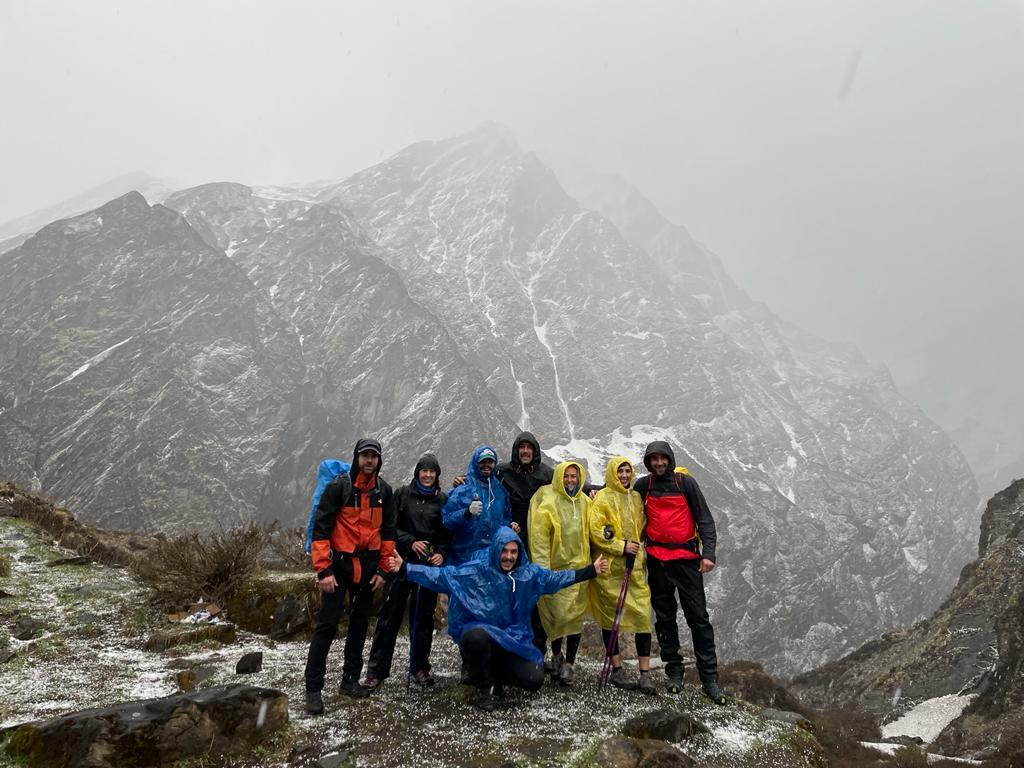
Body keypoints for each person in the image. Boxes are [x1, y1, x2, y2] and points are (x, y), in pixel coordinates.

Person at [387, 526, 609, 711]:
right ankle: (486, 686)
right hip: (482, 636)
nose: (509, 556)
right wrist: (405, 568)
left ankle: (491, 673)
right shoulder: (477, 571)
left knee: (534, 679)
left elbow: (557, 578)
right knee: (475, 637)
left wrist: (591, 570)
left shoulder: (527, 575)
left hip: (513, 640)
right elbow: (441, 576)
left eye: (513, 551)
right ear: (495, 550)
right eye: (504, 551)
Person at [304, 438, 396, 715]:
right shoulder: (339, 488)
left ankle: (350, 680)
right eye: (365, 456)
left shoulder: (384, 492)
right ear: (356, 457)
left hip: (368, 567)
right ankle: (313, 688)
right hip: (339, 566)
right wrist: (323, 569)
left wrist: (383, 569)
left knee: (359, 623)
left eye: (373, 456)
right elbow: (321, 529)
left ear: (379, 460)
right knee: (327, 625)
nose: (369, 460)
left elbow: (388, 532)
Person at [634, 440, 726, 703]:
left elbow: (704, 519)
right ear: (648, 462)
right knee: (664, 619)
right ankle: (674, 673)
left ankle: (710, 680)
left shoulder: (686, 483)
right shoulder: (644, 485)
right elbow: (618, 493)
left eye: (662, 458)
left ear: (670, 459)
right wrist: (590, 490)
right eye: (654, 459)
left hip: (686, 561)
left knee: (698, 618)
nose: (659, 463)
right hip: (657, 560)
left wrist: (708, 553)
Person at [362, 453, 449, 691]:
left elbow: (446, 533)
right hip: (399, 563)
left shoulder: (442, 500)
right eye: (424, 471)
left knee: (423, 618)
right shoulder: (402, 494)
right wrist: (410, 542)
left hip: (427, 567)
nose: (428, 475)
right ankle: (376, 671)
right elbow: (389, 527)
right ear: (417, 473)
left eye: (432, 471)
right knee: (389, 616)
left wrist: (441, 553)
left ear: (437, 475)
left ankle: (420, 667)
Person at [589, 456, 655, 694]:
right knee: (611, 618)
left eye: (627, 471)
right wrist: (621, 546)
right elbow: (596, 530)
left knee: (643, 617)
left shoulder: (636, 497)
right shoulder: (603, 497)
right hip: (610, 569)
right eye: (620, 471)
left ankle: (645, 674)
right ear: (612, 473)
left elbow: (643, 526)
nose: (624, 475)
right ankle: (617, 669)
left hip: (635, 567)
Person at [528, 460, 591, 685]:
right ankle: (556, 655)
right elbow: (539, 538)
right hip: (555, 569)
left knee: (574, 615)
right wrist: (544, 570)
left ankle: (570, 664)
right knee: (555, 615)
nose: (570, 480)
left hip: (580, 568)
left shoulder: (585, 502)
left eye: (574, 476)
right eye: (566, 476)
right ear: (559, 477)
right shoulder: (549, 500)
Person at [495, 431, 555, 658]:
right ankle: (509, 647)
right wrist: (461, 480)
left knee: (534, 593)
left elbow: (568, 483)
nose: (526, 451)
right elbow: (482, 477)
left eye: (530, 447)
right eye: (522, 447)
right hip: (510, 541)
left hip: (537, 541)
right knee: (510, 592)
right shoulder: (503, 472)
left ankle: (538, 649)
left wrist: (594, 489)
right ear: (516, 450)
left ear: (535, 451)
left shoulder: (546, 473)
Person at [442, 445, 511, 565]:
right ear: (475, 463)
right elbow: (446, 520)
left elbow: (506, 517)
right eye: (482, 461)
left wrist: (509, 527)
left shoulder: (500, 490)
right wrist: (466, 512)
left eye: (490, 461)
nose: (486, 465)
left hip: (491, 558)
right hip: (464, 558)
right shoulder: (463, 487)